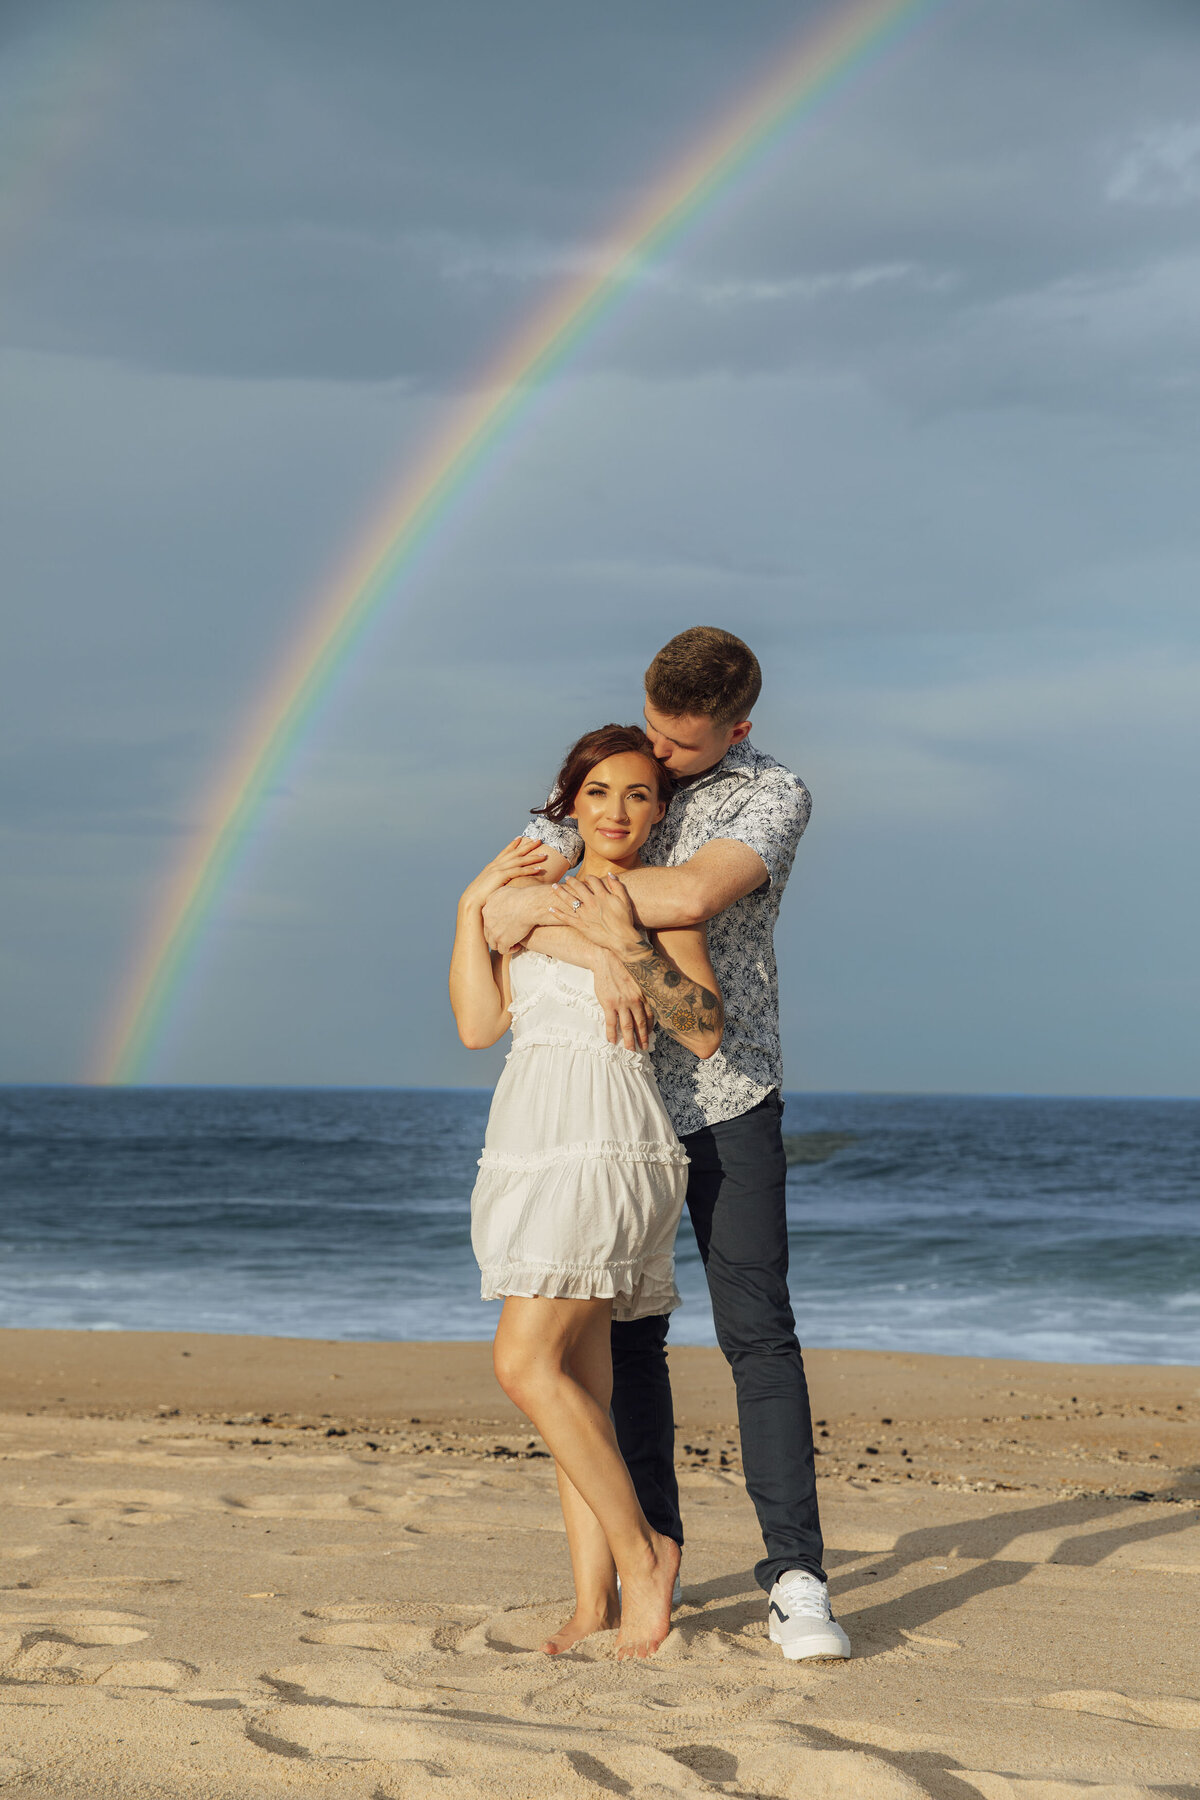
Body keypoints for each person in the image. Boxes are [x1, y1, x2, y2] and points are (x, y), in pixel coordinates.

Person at [483, 627, 851, 1663]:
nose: (660, 763)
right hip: (606, 1108)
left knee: (757, 1334)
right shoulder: (611, 779)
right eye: (651, 732)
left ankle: (796, 1580)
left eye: (682, 748)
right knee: (624, 1352)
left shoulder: (772, 794)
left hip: (726, 1094)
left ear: (737, 729)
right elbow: (501, 903)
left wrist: (584, 921)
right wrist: (571, 926)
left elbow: (688, 897)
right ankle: (651, 1559)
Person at [449, 723, 724, 1660]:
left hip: (603, 1139)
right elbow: (480, 1025)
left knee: (523, 1367)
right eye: (599, 791)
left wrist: (621, 948)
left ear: (659, 811)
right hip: (532, 1132)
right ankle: (592, 1604)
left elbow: (700, 1029)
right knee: (575, 1384)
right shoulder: (527, 899)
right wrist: (469, 906)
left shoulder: (657, 904)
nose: (617, 810)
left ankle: (646, 1555)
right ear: (570, 800)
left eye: (640, 794)